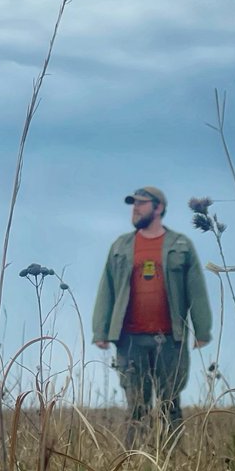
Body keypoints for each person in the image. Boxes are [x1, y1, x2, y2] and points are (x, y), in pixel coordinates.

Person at [92, 186, 212, 445]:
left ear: (158, 208)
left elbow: (197, 289)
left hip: (170, 338)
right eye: (133, 203)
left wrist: (203, 330)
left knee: (170, 404)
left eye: (142, 203)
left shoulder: (181, 245)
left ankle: (172, 460)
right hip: (130, 339)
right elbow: (107, 288)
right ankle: (134, 462)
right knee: (136, 405)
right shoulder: (121, 246)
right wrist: (100, 331)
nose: (135, 208)